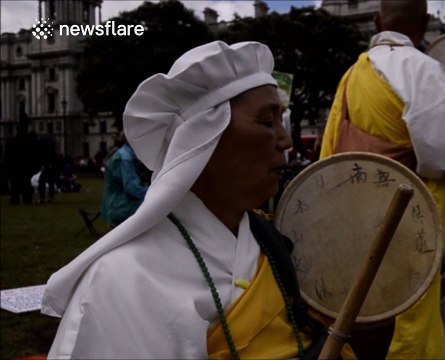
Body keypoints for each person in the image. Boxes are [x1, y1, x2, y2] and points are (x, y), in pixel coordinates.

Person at [41, 41, 352, 359]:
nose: (286, 140)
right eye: (266, 122)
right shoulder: (124, 283)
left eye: (281, 121)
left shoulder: (269, 240)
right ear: (204, 141)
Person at [320, 0, 445, 357]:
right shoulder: (425, 70)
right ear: (423, 24)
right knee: (406, 313)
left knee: (359, 305)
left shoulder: (352, 74)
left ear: (377, 21)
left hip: (352, 213)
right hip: (407, 218)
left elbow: (331, 147)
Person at [100, 132, 149, 228]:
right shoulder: (125, 158)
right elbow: (132, 188)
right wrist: (153, 192)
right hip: (122, 208)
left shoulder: (124, 154)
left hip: (117, 206)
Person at [5, 118, 39, 205]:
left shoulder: (11, 142)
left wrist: (7, 168)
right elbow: (33, 155)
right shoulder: (29, 142)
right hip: (25, 168)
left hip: (15, 168)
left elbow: (7, 157)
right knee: (26, 184)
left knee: (15, 186)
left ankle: (15, 200)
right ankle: (27, 199)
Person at [37, 134, 59, 204]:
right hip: (51, 167)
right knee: (50, 182)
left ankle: (43, 198)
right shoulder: (51, 148)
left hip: (47, 167)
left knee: (42, 182)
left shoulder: (44, 149)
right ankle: (50, 198)